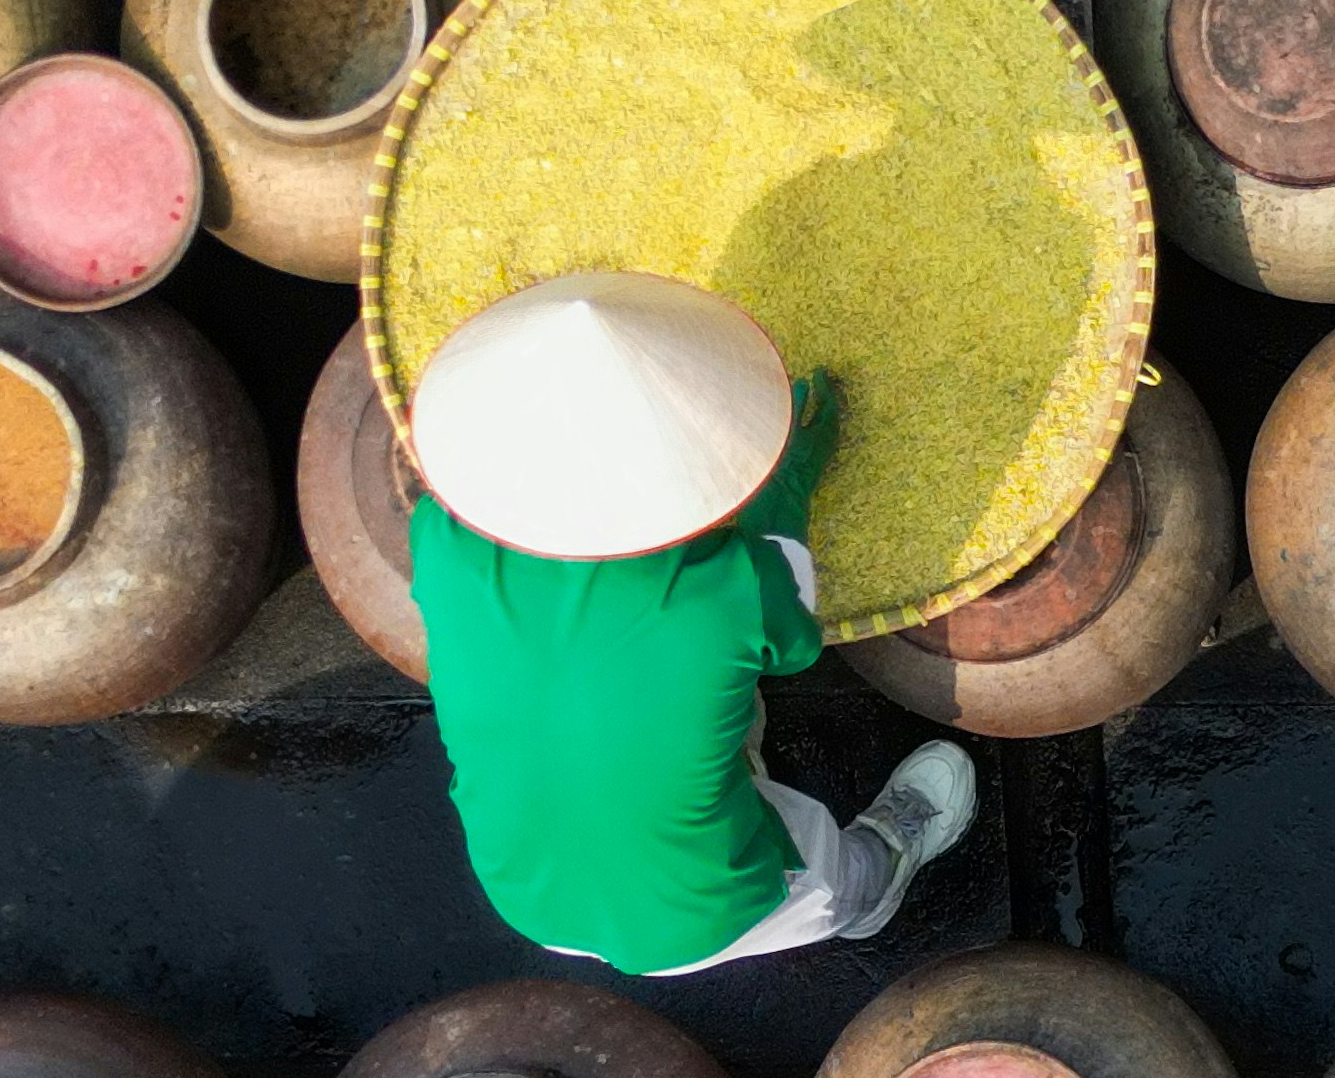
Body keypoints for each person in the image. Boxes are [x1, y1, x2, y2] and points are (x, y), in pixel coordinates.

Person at [402, 272, 979, 976]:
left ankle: (731, 762)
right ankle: (879, 871)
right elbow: (794, 647)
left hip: (525, 891)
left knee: (644, 720)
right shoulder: (730, 588)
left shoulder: (441, 533)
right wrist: (787, 494)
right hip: (698, 910)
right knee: (833, 882)